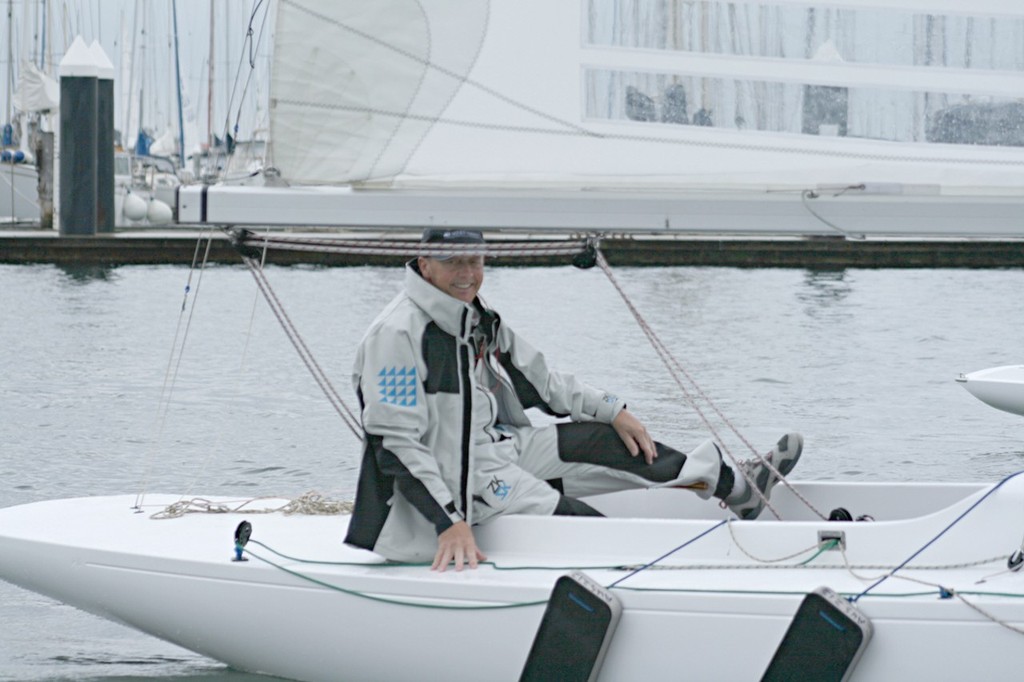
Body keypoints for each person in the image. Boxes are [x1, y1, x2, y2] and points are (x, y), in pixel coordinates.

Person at [344, 229, 802, 570]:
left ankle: (739, 488)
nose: (467, 274)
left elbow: (541, 379)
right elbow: (395, 444)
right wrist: (449, 521)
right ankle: (647, 576)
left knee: (609, 441)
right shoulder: (397, 336)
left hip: (499, 450)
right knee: (582, 525)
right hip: (460, 483)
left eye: (475, 261)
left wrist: (612, 408)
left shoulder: (474, 319)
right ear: (424, 264)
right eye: (453, 263)